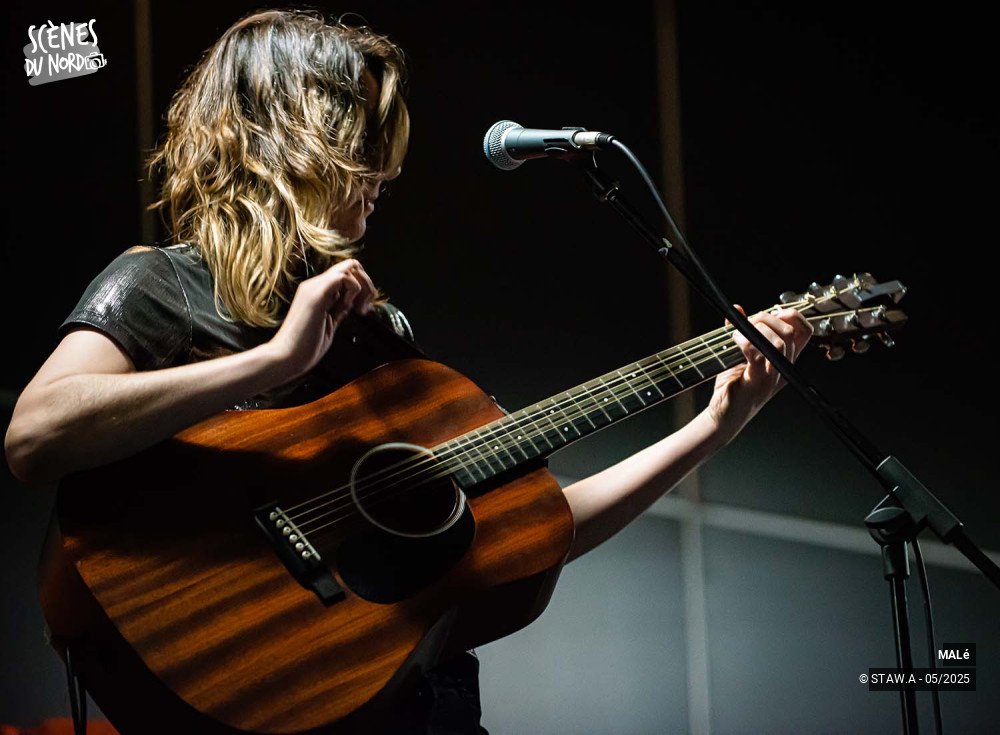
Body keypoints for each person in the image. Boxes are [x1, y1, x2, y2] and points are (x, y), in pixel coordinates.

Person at [3, 9, 812, 734]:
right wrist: (273, 360)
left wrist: (713, 429)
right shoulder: (161, 286)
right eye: (363, 142)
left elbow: (535, 526)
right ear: (292, 138)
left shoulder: (376, 335)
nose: (387, 173)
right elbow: (35, 435)